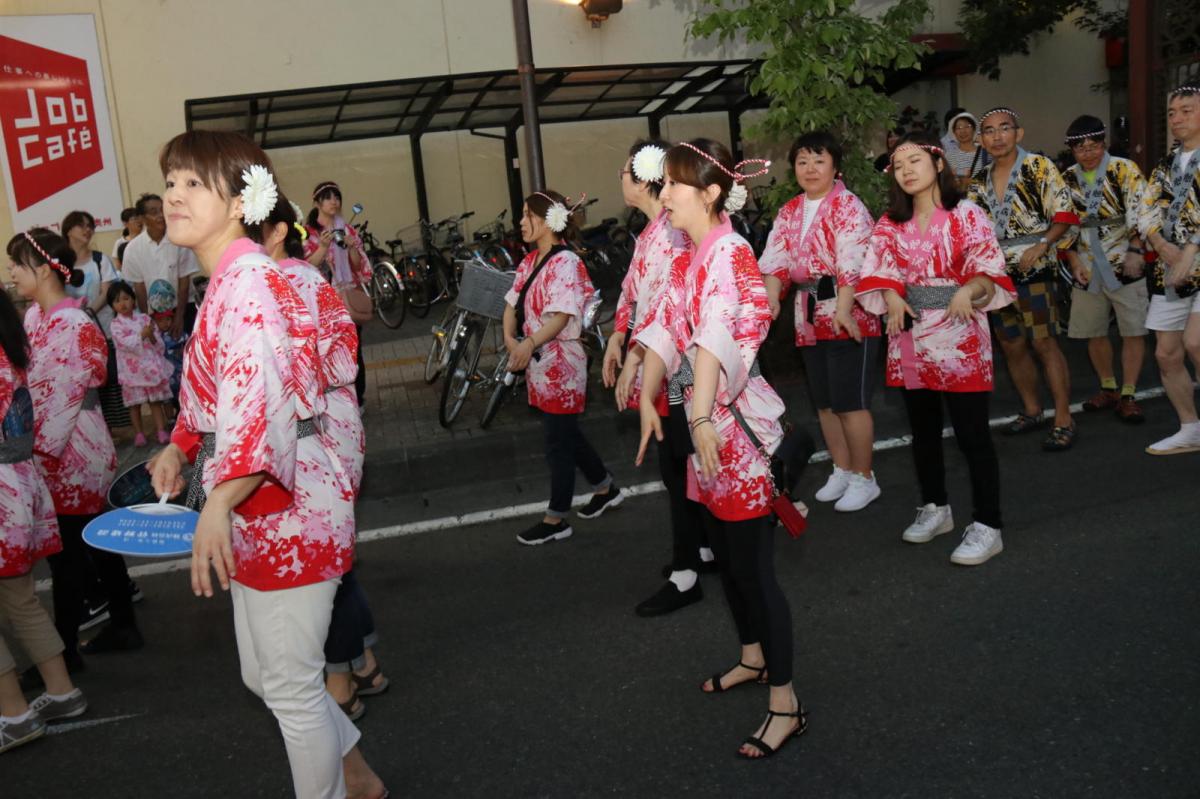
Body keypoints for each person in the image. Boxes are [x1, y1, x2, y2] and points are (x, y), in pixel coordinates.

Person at [146, 130, 384, 799]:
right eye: (171, 181)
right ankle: (357, 775)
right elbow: (215, 394)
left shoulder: (249, 283)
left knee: (286, 682)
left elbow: (262, 408)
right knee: (267, 677)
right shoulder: (233, 278)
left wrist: (217, 500)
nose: (174, 194)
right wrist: (179, 444)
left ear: (238, 199)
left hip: (286, 501)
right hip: (263, 493)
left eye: (194, 183)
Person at [635, 138, 803, 759]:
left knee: (755, 569)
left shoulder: (729, 253)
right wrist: (651, 388)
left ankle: (787, 703)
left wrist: (699, 413)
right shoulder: (691, 253)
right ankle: (753, 658)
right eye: (665, 184)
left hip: (732, 432)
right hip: (704, 428)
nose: (665, 195)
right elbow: (665, 327)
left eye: (676, 185)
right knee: (728, 559)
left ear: (709, 193)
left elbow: (713, 337)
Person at [258, 197, 389, 721]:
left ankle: (340, 677)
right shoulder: (305, 280)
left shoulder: (278, 285)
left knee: (320, 562)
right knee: (335, 556)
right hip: (335, 422)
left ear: (272, 232)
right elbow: (343, 360)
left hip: (310, 434)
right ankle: (363, 663)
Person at [858, 133, 1016, 565]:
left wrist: (971, 288)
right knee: (923, 432)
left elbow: (989, 269)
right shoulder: (890, 222)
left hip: (960, 335)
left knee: (972, 436)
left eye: (916, 160)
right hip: (910, 336)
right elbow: (877, 272)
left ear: (939, 165)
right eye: (899, 164)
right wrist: (891, 296)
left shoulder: (966, 213)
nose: (907, 170)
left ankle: (988, 524)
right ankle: (936, 507)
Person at [8, 229, 141, 663]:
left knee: (70, 554)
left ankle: (64, 654)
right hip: (58, 447)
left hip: (75, 448)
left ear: (43, 269)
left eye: (17, 264)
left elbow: (62, 396)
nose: (10, 272)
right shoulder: (34, 317)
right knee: (93, 543)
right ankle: (121, 624)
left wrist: (33, 452)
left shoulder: (74, 323)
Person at [605, 139, 709, 616]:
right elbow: (633, 295)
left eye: (625, 171)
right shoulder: (651, 233)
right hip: (662, 360)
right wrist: (618, 339)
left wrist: (636, 355)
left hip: (682, 363)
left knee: (681, 463)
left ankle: (688, 571)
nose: (620, 180)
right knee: (679, 464)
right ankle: (699, 549)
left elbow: (669, 308)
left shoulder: (676, 232)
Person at [760, 131, 882, 512]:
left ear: (835, 167)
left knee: (850, 401)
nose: (810, 169)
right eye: (802, 161)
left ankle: (864, 476)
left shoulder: (848, 206)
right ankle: (842, 467)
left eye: (819, 160)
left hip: (847, 310)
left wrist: (844, 310)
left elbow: (852, 264)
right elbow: (774, 263)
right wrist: (769, 304)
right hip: (807, 311)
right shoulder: (790, 210)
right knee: (826, 403)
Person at [502, 190, 622, 546]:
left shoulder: (566, 262)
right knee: (566, 431)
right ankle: (605, 488)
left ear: (547, 219)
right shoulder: (528, 262)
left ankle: (556, 518)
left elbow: (563, 315)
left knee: (557, 441)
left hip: (562, 366)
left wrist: (528, 343)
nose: (522, 221)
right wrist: (511, 337)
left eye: (528, 214)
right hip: (539, 362)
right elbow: (511, 302)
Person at [0, 289, 88, 755]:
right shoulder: (10, 351)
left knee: (17, 599)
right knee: (21, 599)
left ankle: (13, 714)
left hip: (2, 490)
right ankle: (61, 691)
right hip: (18, 483)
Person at [968, 106, 1079, 451]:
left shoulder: (1039, 167)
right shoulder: (978, 181)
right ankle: (1032, 410)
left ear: (1019, 133)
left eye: (1004, 129)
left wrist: (1044, 243)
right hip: (998, 275)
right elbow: (972, 231)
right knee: (1012, 344)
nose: (997, 136)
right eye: (989, 131)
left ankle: (1063, 417)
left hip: (1035, 267)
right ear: (980, 140)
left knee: (1044, 342)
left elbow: (1064, 214)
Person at [1060, 114, 1151, 423]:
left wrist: (1137, 250)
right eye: (1080, 147)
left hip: (1124, 259)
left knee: (1132, 330)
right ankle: (1108, 387)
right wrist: (1072, 261)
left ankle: (1128, 393)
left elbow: (1142, 210)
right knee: (1093, 332)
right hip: (1086, 263)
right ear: (1072, 150)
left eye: (1094, 145)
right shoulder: (1067, 178)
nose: (1088, 153)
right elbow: (1063, 224)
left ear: (1103, 143)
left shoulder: (1124, 169)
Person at [1139, 85, 1200, 455]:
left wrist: (1192, 248)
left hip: (1192, 257)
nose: (1177, 118)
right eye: (1172, 112)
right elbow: (1144, 210)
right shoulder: (1164, 165)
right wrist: (1160, 244)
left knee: (1197, 341)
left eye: (1187, 110)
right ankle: (1190, 427)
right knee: (1166, 353)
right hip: (1171, 264)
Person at [304, 181, 370, 409]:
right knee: (325, 351)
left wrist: (352, 247)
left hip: (347, 297)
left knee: (353, 349)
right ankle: (332, 401)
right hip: (321, 301)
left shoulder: (347, 229)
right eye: (328, 197)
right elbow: (306, 266)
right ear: (317, 202)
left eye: (337, 197)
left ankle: (358, 399)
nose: (334, 201)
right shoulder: (309, 232)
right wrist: (322, 248)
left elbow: (358, 264)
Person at [119, 193, 201, 338]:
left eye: (162, 210)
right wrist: (147, 320)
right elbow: (139, 288)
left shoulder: (180, 240)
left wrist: (179, 317)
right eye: (153, 212)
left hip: (181, 309)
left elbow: (184, 281)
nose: (160, 215)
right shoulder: (133, 249)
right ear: (143, 218)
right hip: (152, 315)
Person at [107, 282, 173, 446]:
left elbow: (157, 342)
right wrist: (141, 335)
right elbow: (123, 343)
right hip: (131, 371)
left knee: (155, 401)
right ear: (112, 306)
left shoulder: (144, 318)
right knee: (134, 405)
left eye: (126, 298)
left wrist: (150, 336)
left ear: (133, 300)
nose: (123, 303)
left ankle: (160, 430)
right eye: (117, 301)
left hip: (149, 367)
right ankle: (139, 433)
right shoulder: (115, 325)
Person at [943, 111, 990, 191]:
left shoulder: (986, 154)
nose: (963, 131)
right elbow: (945, 182)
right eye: (959, 128)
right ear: (954, 132)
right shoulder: (948, 156)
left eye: (967, 126)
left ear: (974, 128)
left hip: (979, 199)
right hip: (958, 200)